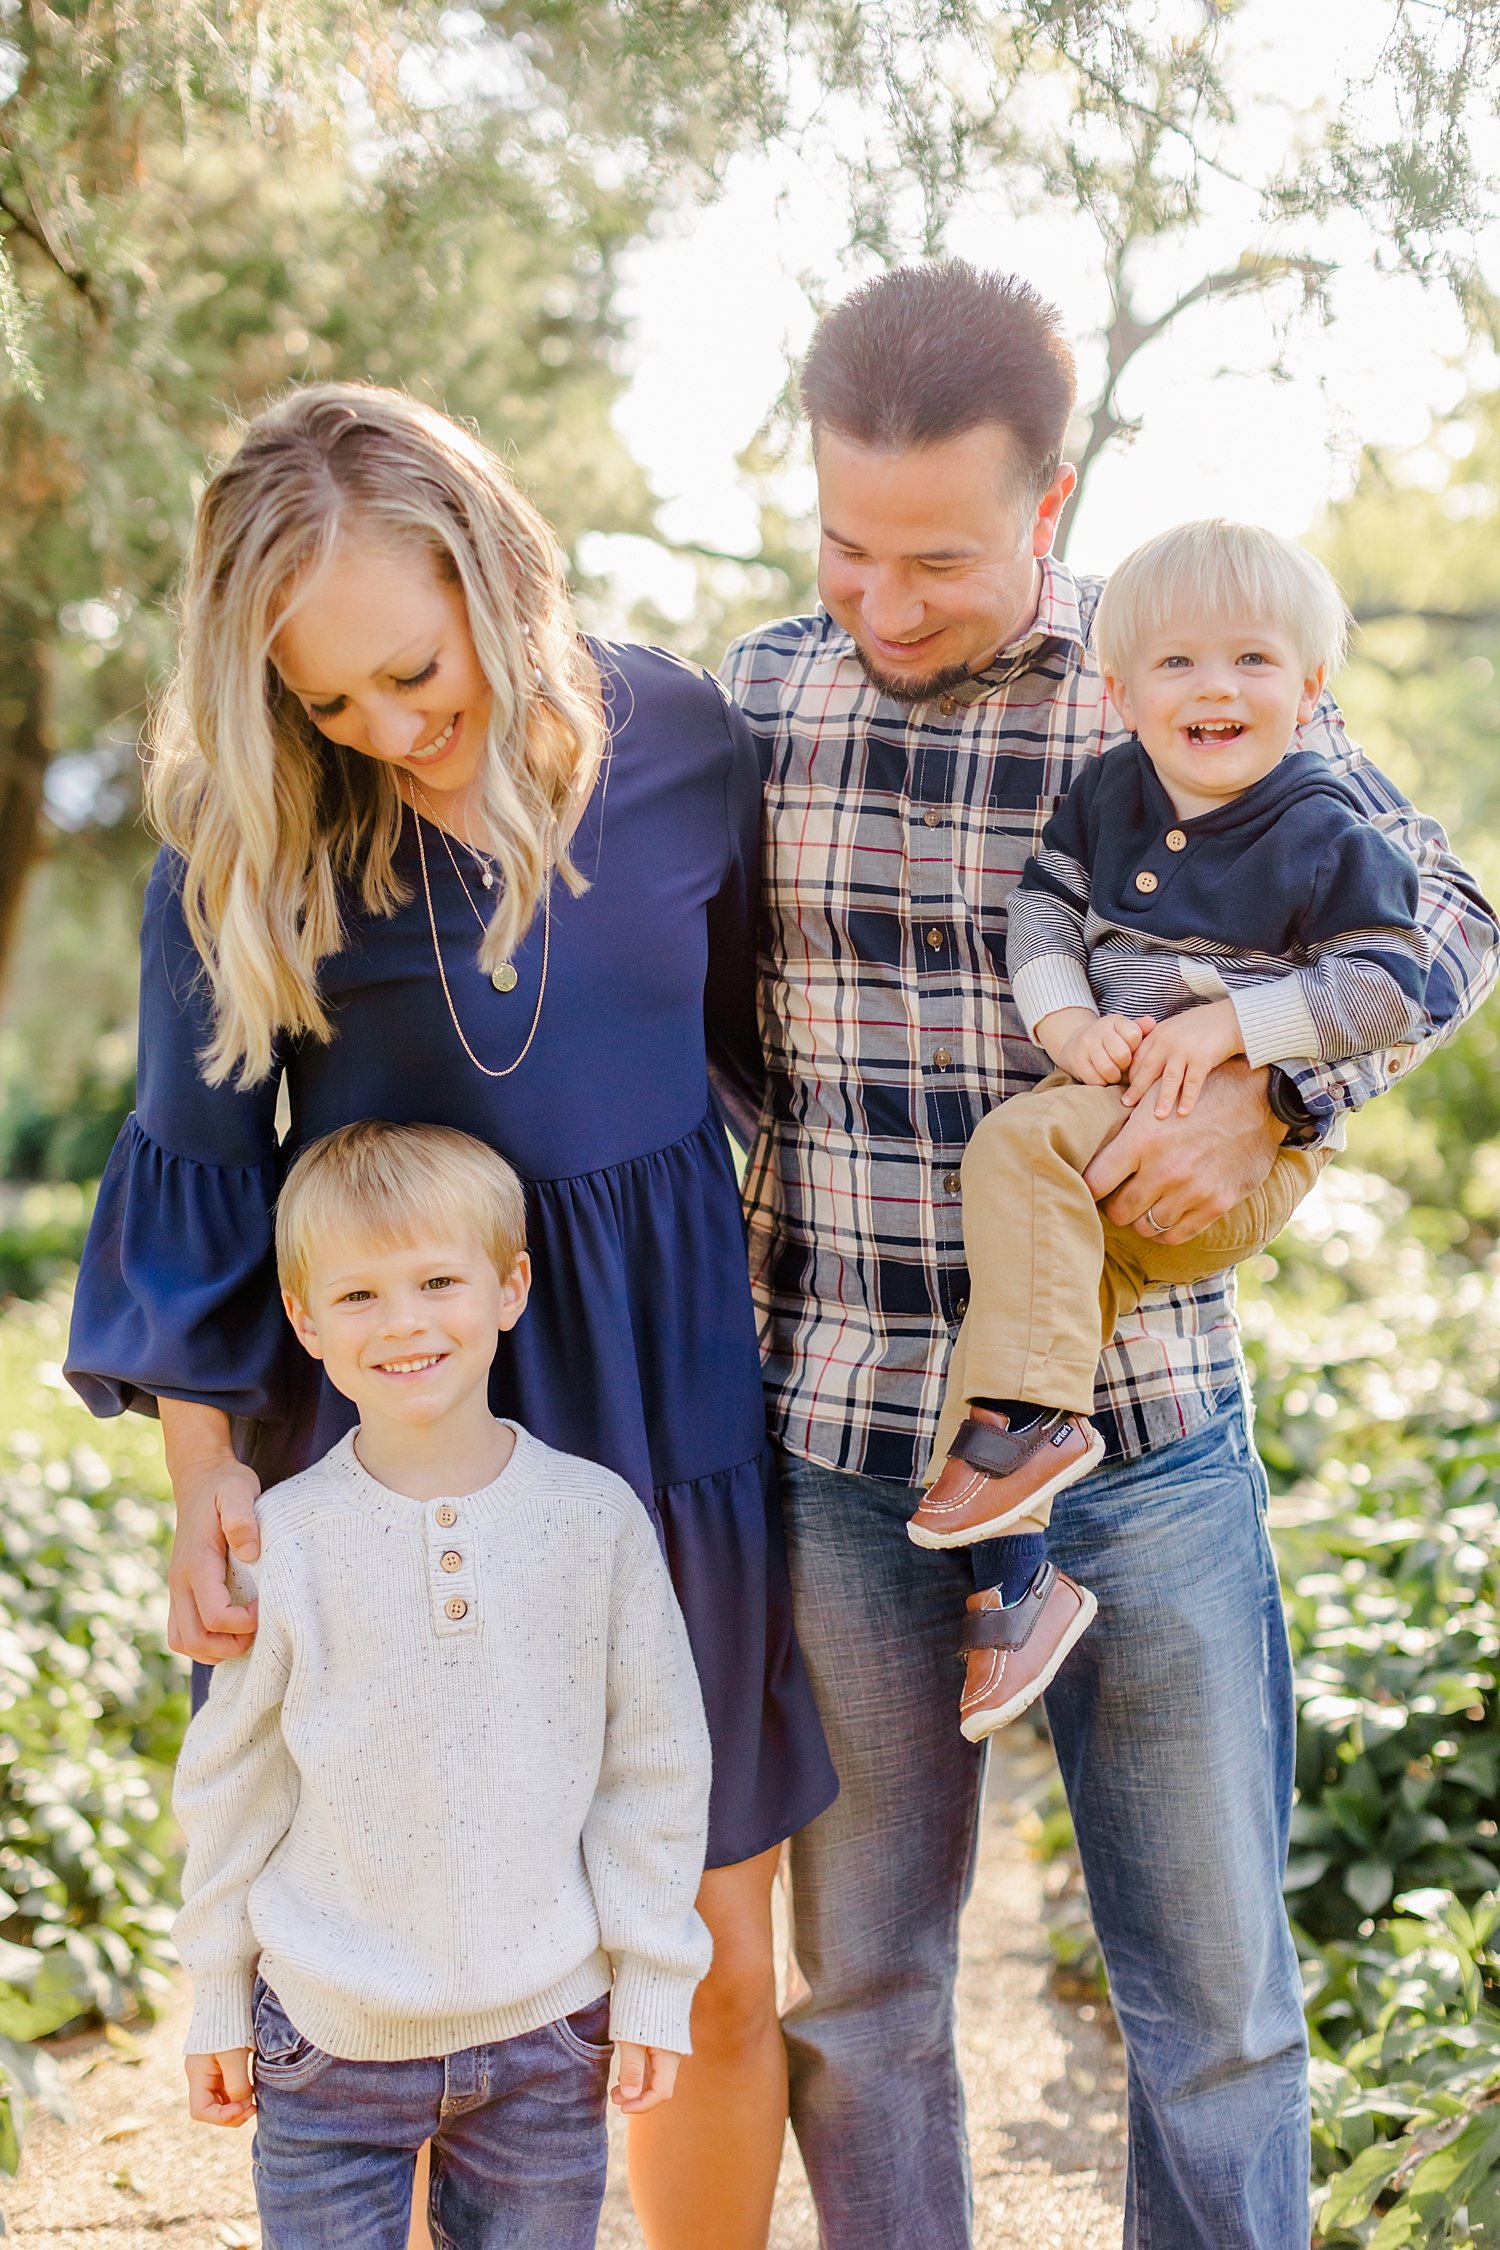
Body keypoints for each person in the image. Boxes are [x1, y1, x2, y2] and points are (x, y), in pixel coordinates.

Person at [722, 262, 1499, 2250]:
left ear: (1049, 511)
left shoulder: (1179, 679)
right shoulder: (759, 700)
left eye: (941, 561)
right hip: (841, 1448)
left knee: (1216, 2014)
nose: (882, 608)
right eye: (845, 547)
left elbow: (1456, 923)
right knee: (870, 1999)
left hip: (1147, 1449)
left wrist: (1282, 1090)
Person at [67, 382, 837, 2250]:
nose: (390, 730)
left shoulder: (677, 741)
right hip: (397, 1448)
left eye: (417, 673)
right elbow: (197, 1172)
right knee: (415, 2001)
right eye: (329, 701)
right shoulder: (250, 842)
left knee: (708, 1965)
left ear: (498, 571)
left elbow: (752, 1051)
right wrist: (202, 1492)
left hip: (664, 1422)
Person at [911, 519, 1428, 1738]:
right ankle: (1014, 1593)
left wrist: (1240, 1029)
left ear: (1309, 691)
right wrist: (1066, 1021)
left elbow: (1392, 985)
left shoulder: (1325, 824)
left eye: (1253, 662)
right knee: (1017, 1320)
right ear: (1123, 692)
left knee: (1017, 1148)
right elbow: (1042, 915)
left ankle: (1035, 1428)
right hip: (1112, 1107)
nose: (1217, 688)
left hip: (1224, 1154)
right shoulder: (1110, 796)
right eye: (1181, 664)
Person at [178, 1119, 712, 2250]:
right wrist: (218, 1995)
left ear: (510, 1288)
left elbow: (653, 1768)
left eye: (437, 1281)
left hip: (547, 2035)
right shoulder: (286, 1539)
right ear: (306, 1320)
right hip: (328, 2041)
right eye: (361, 1296)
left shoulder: (595, 1519)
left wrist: (654, 1979)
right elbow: (234, 1786)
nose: (406, 1321)